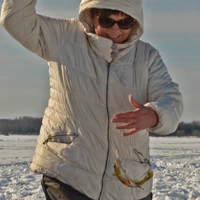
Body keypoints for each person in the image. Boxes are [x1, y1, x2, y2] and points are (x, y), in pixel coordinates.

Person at [0, 0, 183, 199]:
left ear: (135, 22)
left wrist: (156, 115)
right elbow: (15, 19)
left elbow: (171, 99)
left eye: (124, 23)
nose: (115, 30)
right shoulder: (64, 36)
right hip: (69, 173)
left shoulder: (147, 57)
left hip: (128, 184)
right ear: (91, 15)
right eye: (106, 20)